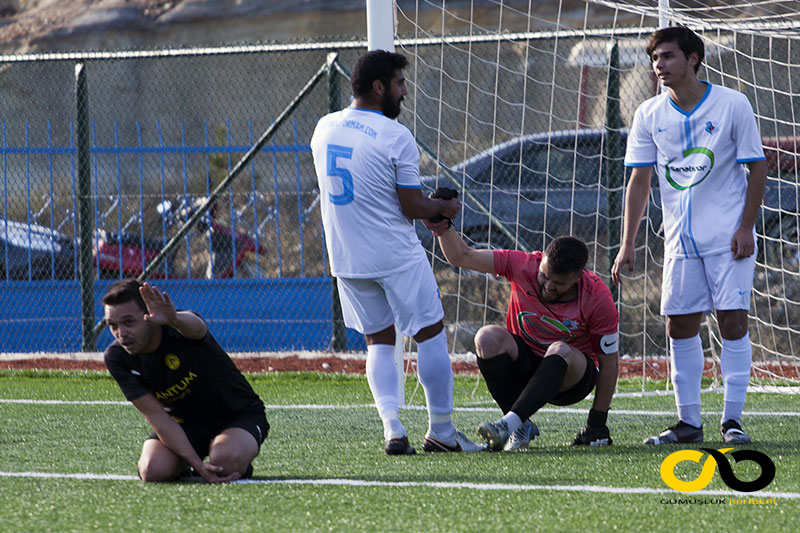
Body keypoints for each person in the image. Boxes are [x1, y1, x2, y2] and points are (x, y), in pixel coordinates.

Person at [309, 49, 482, 455]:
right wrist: (442, 208)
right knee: (430, 334)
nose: (405, 92)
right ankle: (441, 430)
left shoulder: (324, 127)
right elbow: (411, 207)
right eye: (400, 84)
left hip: (347, 256)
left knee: (379, 340)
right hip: (393, 253)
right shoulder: (395, 136)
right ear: (379, 86)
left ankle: (392, 430)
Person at [611, 26, 767, 445]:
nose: (658, 65)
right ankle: (688, 423)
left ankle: (732, 420)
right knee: (678, 325)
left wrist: (746, 227)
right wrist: (628, 243)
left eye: (666, 57)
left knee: (732, 323)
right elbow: (639, 182)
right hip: (680, 241)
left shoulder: (733, 104)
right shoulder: (648, 114)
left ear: (693, 58)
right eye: (654, 58)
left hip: (729, 238)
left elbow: (758, 167)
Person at [425, 220, 620, 451]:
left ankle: (506, 425)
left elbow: (609, 363)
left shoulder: (597, 296)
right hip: (526, 366)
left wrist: (597, 424)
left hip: (570, 379)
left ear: (578, 278)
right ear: (541, 263)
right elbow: (462, 256)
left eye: (558, 283)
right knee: (486, 337)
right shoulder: (522, 264)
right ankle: (521, 426)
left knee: (559, 349)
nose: (548, 286)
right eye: (544, 276)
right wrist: (442, 224)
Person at [103, 279, 269, 482]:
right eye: (113, 326)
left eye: (129, 322)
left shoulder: (178, 327)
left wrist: (173, 318)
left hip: (237, 414)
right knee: (151, 470)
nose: (121, 334)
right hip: (185, 425)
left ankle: (236, 458)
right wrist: (198, 465)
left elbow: (198, 327)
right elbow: (157, 417)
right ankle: (184, 464)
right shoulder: (117, 357)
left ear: (149, 316)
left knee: (224, 461)